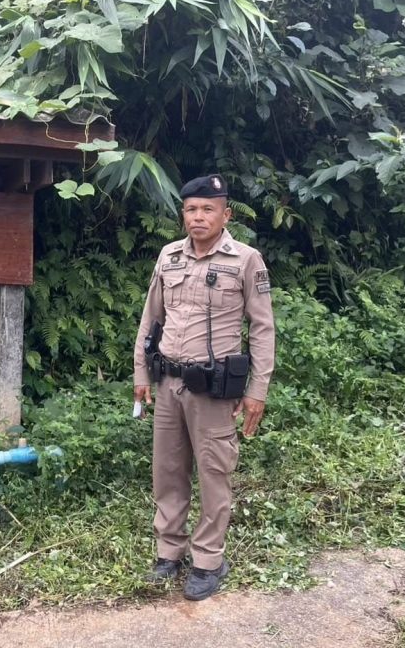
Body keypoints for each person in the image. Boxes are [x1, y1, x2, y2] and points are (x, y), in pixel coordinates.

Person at [133, 174, 275, 601]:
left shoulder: (246, 260)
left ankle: (209, 560)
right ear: (184, 214)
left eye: (208, 209)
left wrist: (257, 390)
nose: (198, 217)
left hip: (213, 390)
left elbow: (262, 328)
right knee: (167, 472)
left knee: (214, 475)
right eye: (191, 209)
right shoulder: (169, 256)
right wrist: (141, 373)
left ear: (225, 214)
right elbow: (150, 319)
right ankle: (168, 552)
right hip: (168, 383)